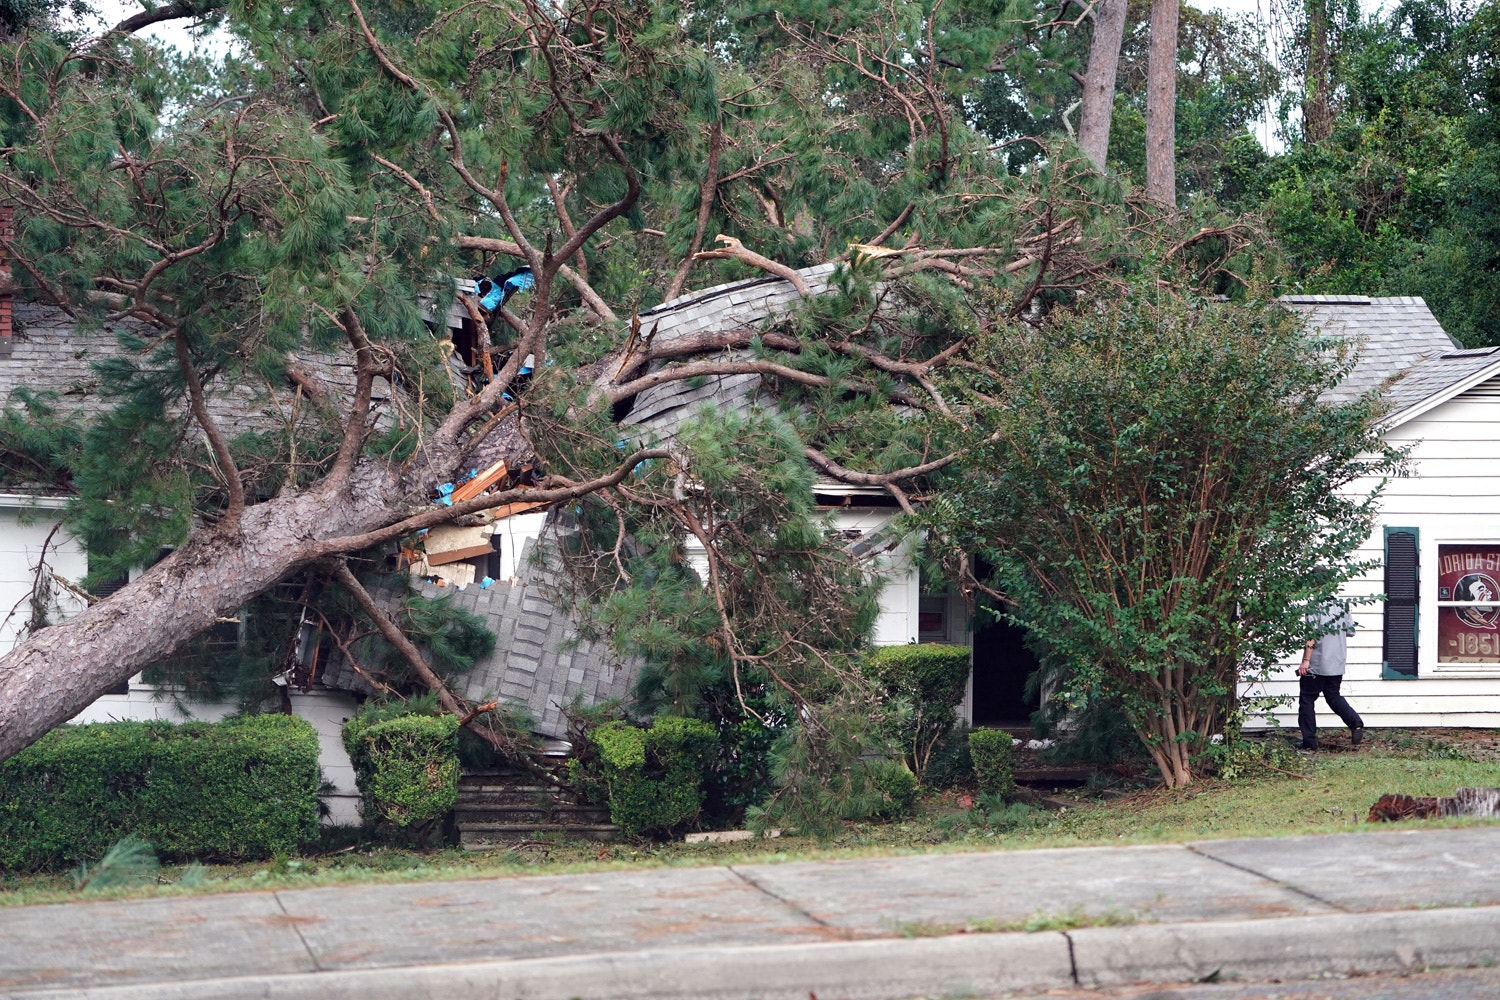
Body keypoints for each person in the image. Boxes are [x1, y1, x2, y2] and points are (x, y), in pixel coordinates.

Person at [1297, 598, 1364, 750]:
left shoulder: (1314, 607)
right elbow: (1350, 631)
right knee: (1333, 696)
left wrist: (1306, 661)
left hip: (1317, 663)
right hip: (1337, 662)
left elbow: (1311, 636)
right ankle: (1355, 723)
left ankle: (1309, 742)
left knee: (1306, 700)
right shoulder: (1342, 606)